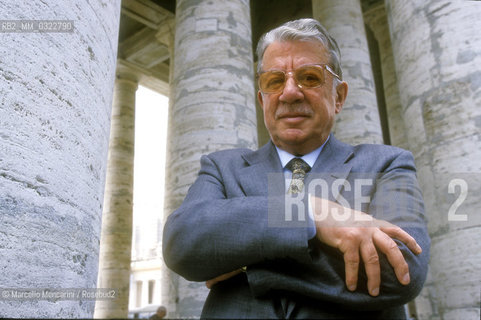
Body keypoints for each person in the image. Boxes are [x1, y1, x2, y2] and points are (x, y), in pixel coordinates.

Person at [163, 18, 430, 319]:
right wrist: (310, 212)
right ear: (261, 98)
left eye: (310, 77)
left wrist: (248, 262)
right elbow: (181, 243)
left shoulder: (388, 164)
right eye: (274, 81)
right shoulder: (222, 167)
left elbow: (403, 271)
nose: (290, 92)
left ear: (339, 96)